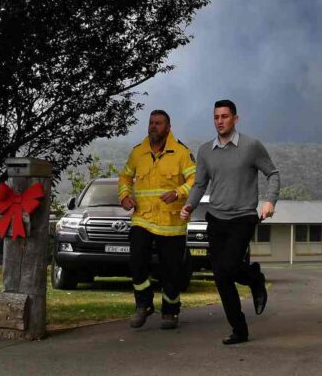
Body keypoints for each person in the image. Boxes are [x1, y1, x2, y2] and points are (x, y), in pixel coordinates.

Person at [181, 99, 279, 345]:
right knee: (221, 277)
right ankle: (239, 330)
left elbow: (273, 174)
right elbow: (200, 184)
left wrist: (269, 201)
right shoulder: (205, 151)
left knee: (228, 266)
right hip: (216, 218)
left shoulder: (251, 146)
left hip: (243, 217)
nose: (220, 121)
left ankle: (254, 278)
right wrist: (190, 204)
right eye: (216, 117)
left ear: (236, 118)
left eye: (225, 116)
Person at [118, 109, 196, 330]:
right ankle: (143, 304)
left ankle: (170, 311)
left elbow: (195, 179)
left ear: (168, 127)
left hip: (171, 224)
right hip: (142, 218)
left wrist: (179, 192)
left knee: (171, 270)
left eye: (158, 123)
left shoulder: (181, 152)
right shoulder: (138, 152)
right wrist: (124, 195)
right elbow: (125, 176)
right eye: (151, 122)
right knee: (137, 259)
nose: (153, 126)